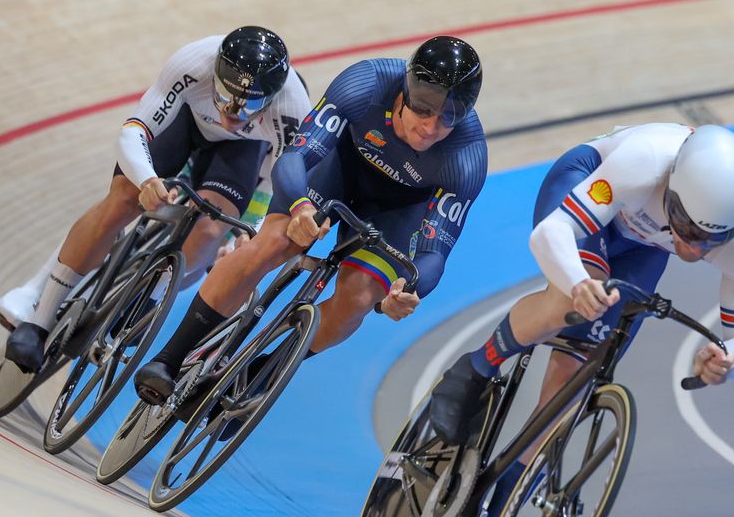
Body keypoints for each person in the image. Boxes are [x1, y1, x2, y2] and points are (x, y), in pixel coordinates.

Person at [427, 123, 734, 517]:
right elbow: (551, 234)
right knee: (572, 305)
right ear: (672, 186)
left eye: (707, 242)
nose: (692, 246)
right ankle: (477, 365)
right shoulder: (644, 161)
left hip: (645, 244)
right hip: (587, 190)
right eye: (687, 228)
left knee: (574, 383)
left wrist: (730, 361)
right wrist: (576, 283)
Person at [131, 35, 488, 405]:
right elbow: (295, 157)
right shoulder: (366, 83)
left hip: (398, 209)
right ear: (405, 93)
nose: (431, 129)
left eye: (448, 119)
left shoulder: (466, 157)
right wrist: (300, 205)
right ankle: (169, 359)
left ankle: (260, 375)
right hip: (339, 166)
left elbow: (434, 253)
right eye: (424, 111)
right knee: (274, 242)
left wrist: (409, 291)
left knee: (359, 298)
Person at [0, 26, 312, 372]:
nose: (232, 113)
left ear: (271, 98)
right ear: (216, 76)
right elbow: (133, 130)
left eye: (250, 105)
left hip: (239, 150)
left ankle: (149, 296)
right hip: (184, 121)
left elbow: (278, 185)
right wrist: (147, 179)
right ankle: (38, 321)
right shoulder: (195, 62)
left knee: (210, 231)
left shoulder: (292, 109)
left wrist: (248, 231)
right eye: (225, 97)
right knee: (123, 199)